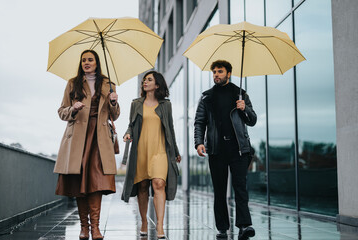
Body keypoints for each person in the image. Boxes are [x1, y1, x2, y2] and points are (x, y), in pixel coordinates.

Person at [54, 49, 120, 240]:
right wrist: (72, 109)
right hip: (77, 140)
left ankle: (96, 228)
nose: (86, 63)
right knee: (80, 183)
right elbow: (61, 112)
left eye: (90, 59)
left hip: (100, 139)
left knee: (96, 183)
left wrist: (114, 103)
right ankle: (84, 227)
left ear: (97, 62)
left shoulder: (109, 85)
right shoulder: (73, 83)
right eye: (83, 60)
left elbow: (114, 115)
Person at [194, 60, 257, 240]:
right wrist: (199, 142)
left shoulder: (241, 94)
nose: (216, 75)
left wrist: (245, 109)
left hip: (238, 149)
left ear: (228, 73)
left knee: (240, 188)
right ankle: (222, 227)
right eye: (214, 72)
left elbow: (252, 120)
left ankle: (244, 226)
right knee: (219, 190)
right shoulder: (207, 97)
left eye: (220, 71)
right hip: (216, 150)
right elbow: (199, 122)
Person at [121, 71, 181, 239]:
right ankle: (144, 222)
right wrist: (127, 133)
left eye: (149, 80)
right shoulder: (136, 104)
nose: (144, 82)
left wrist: (175, 151)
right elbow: (130, 125)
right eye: (144, 80)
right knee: (142, 187)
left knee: (159, 183)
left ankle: (160, 225)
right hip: (140, 150)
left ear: (157, 85)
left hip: (160, 150)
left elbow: (170, 128)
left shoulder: (165, 105)